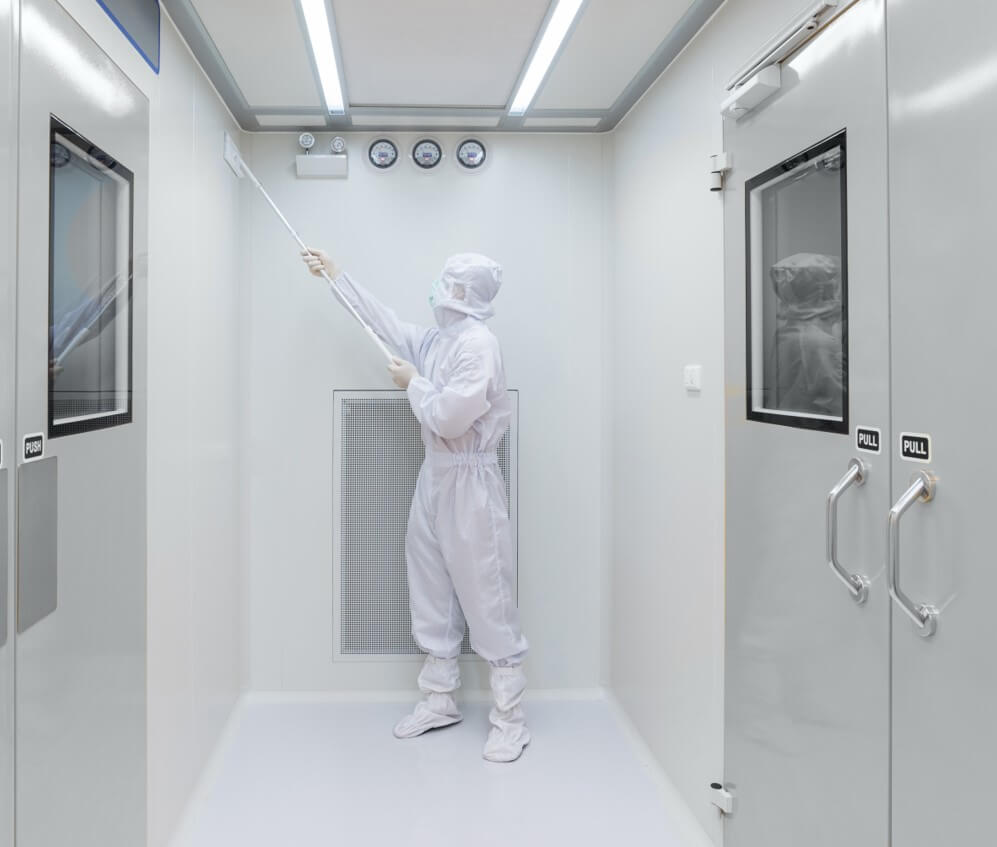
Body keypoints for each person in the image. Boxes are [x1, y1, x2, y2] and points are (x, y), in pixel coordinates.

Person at [302, 248, 530, 763]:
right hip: (435, 476)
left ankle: (510, 720)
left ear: (461, 292)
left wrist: (414, 383)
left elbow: (450, 418)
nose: (436, 287)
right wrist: (337, 276)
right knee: (430, 586)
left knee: (486, 594)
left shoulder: (479, 345)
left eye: (445, 281)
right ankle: (439, 699)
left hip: (471, 482)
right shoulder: (438, 339)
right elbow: (383, 323)